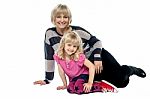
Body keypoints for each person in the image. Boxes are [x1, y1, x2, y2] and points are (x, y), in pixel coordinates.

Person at [33, 4, 146, 88]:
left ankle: (130, 69)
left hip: (97, 58)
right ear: (53, 19)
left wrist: (97, 58)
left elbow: (96, 42)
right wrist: (47, 79)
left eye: (65, 17)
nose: (62, 20)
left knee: (122, 82)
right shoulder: (49, 34)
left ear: (69, 19)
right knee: (91, 83)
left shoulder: (78, 31)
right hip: (83, 67)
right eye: (58, 17)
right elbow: (49, 56)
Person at [53, 31, 117, 94]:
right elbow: (61, 71)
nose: (71, 48)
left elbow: (92, 66)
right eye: (69, 45)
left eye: (74, 46)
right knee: (70, 89)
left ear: (77, 47)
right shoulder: (58, 56)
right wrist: (65, 84)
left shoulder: (78, 56)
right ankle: (92, 85)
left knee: (79, 88)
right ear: (63, 44)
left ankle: (100, 85)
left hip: (83, 75)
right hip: (73, 78)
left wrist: (90, 83)